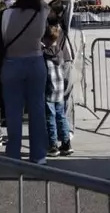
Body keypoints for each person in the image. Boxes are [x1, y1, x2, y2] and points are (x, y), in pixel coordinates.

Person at [0, 0, 50, 163]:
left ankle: (13, 153)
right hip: (36, 62)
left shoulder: (7, 14)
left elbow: (1, 39)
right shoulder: (42, 12)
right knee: (37, 109)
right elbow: (46, 6)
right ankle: (39, 154)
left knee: (13, 111)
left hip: (12, 63)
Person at [43, 19, 73, 157]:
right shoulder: (60, 52)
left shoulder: (44, 53)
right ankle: (66, 143)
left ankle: (53, 145)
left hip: (49, 88)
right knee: (61, 116)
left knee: (50, 117)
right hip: (60, 88)